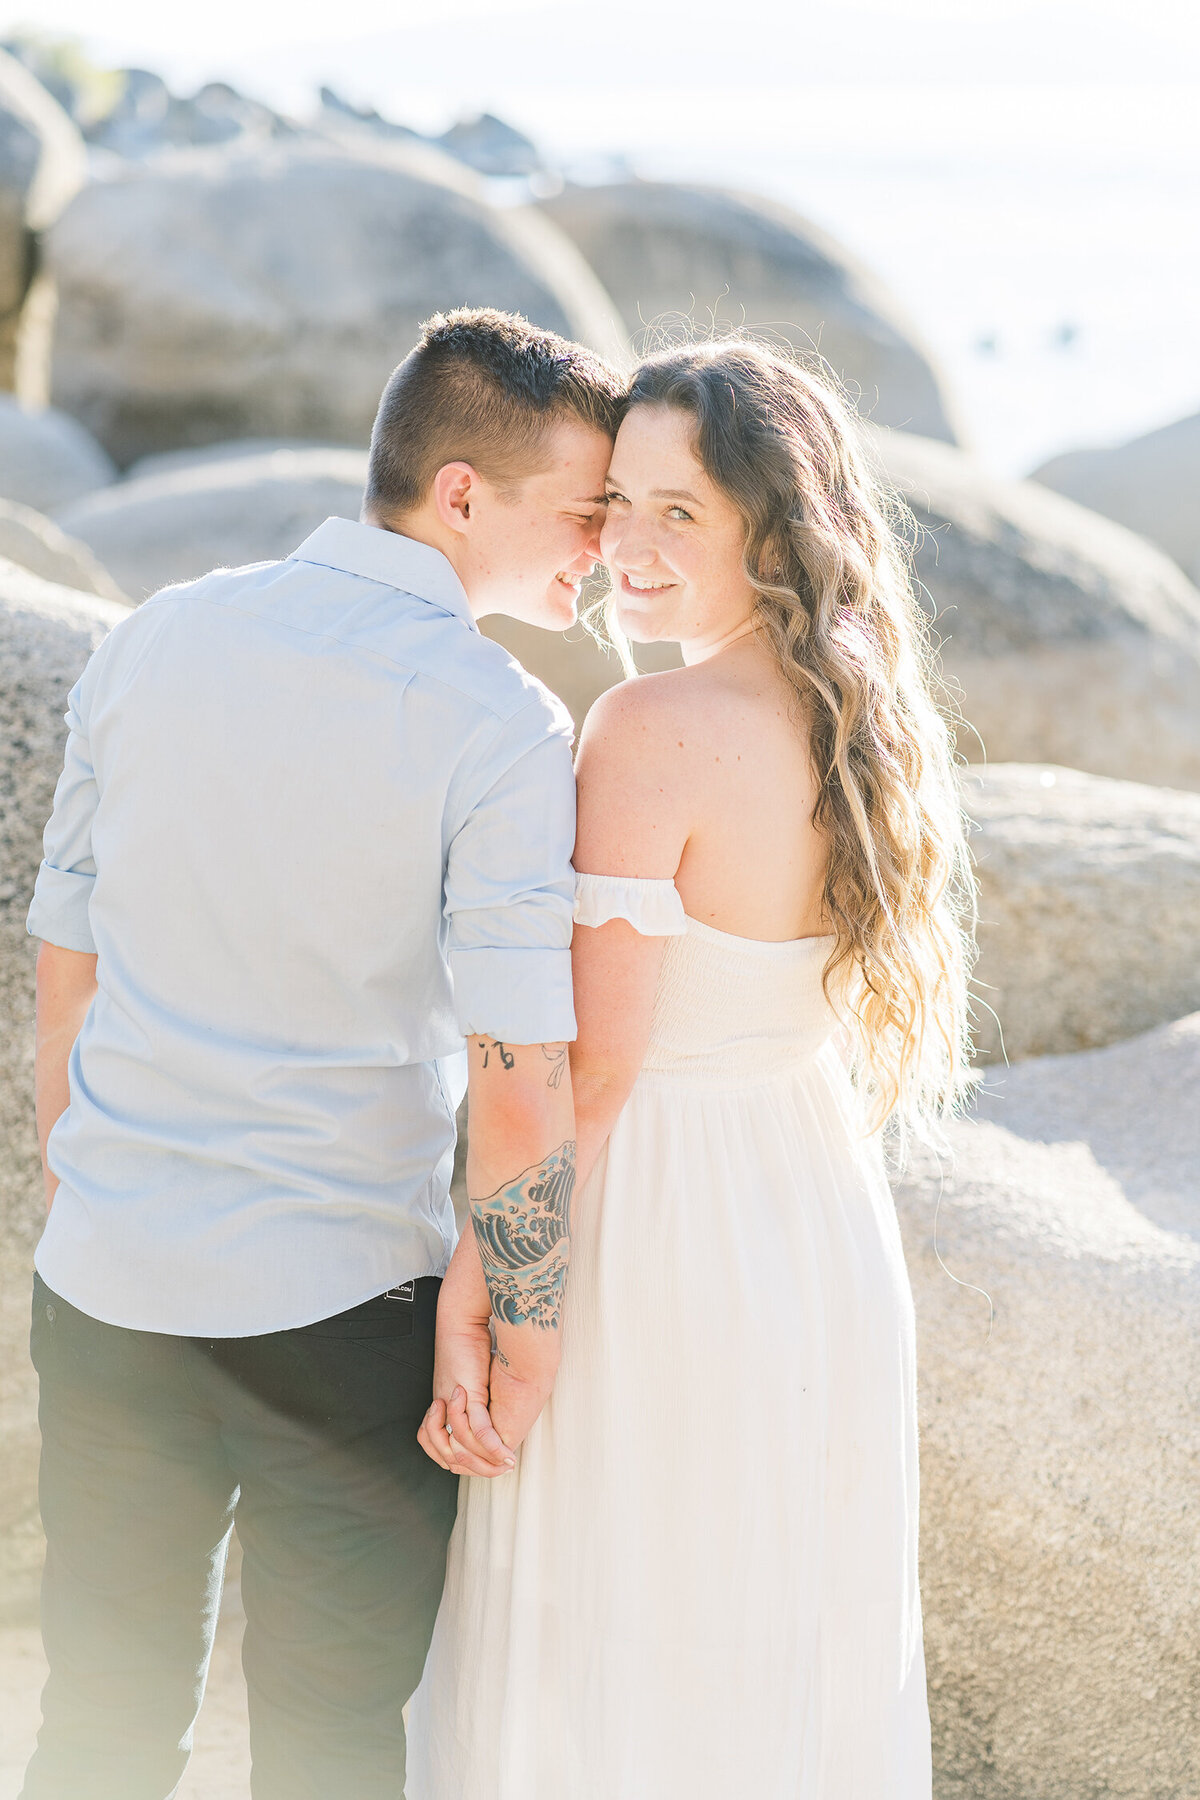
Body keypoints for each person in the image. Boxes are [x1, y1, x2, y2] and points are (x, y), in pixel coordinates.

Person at [22, 307, 623, 1800]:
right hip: (346, 1308)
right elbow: (516, 1071)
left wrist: (87, 1190)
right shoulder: (502, 724)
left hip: (109, 1283)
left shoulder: (156, 634)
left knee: (98, 1715)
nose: (605, 554)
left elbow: (65, 965)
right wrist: (525, 1335)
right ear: (465, 495)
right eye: (585, 512)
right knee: (334, 1751)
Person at [409, 339, 975, 1799]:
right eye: (617, 506)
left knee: (610, 1625)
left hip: (662, 1217)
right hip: (810, 1202)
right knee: (773, 1628)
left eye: (683, 514)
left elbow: (587, 1073)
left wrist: (485, 1284)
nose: (628, 553)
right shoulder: (865, 713)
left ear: (770, 533)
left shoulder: (647, 727)